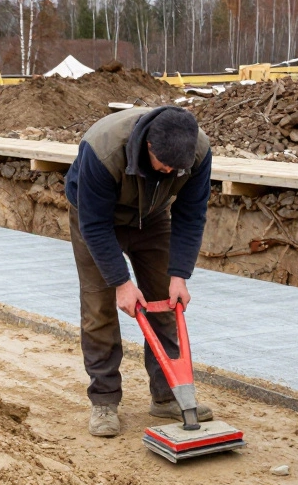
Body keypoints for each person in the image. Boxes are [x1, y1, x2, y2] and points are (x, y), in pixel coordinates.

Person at [63, 106, 215, 437]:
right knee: (99, 307)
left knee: (165, 304)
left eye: (178, 168)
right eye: (164, 164)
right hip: (95, 218)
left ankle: (166, 396)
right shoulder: (102, 150)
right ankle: (104, 399)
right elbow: (95, 224)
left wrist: (179, 275)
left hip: (153, 215)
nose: (171, 170)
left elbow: (191, 215)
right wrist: (121, 283)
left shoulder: (198, 153)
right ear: (147, 145)